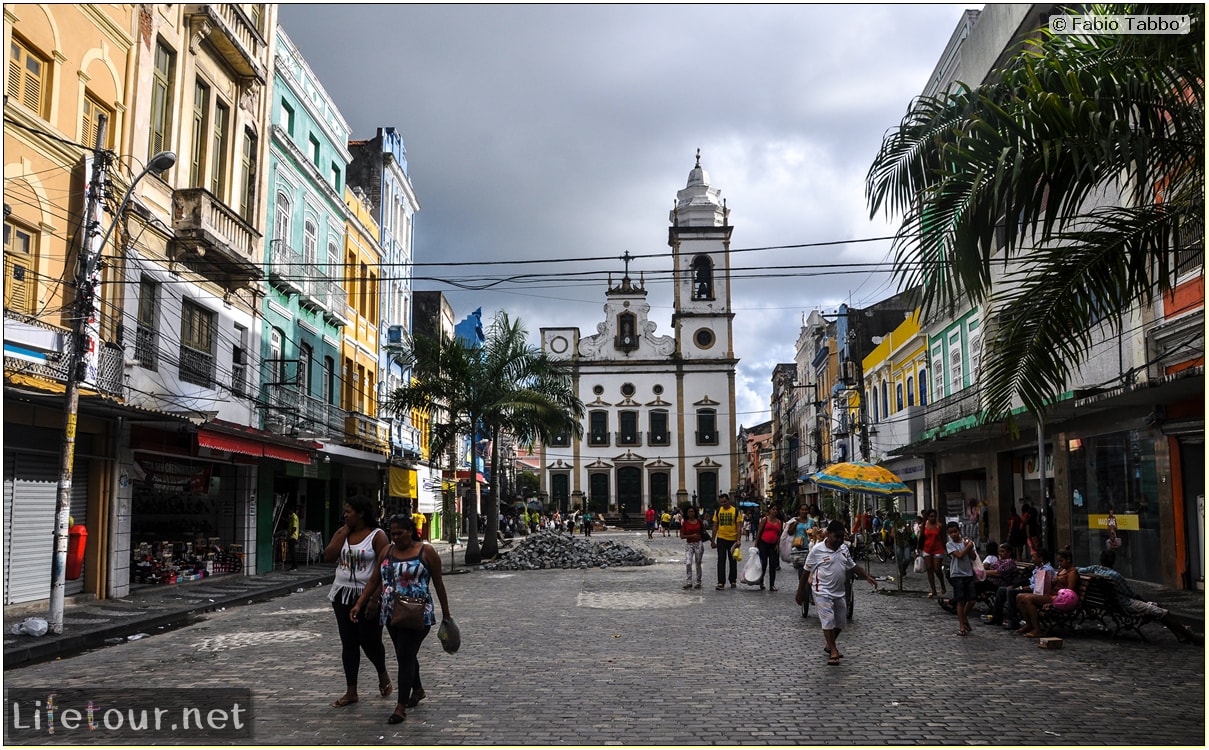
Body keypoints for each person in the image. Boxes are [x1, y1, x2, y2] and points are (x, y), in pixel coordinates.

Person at [354, 513, 451, 725]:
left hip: (418, 614)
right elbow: (374, 580)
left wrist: (447, 615)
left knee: (405, 655)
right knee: (404, 653)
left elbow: (439, 584)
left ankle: (400, 706)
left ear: (410, 531)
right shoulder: (387, 552)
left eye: (399, 533)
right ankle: (417, 690)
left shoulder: (426, 552)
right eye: (392, 533)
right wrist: (361, 603)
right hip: (390, 613)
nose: (395, 537)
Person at [322, 494, 392, 709]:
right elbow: (328, 556)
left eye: (349, 511)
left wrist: (375, 598)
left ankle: (382, 672)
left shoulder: (377, 536)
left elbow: (385, 567)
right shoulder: (343, 533)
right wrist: (342, 532)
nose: (345, 515)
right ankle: (351, 690)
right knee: (349, 642)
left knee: (369, 640)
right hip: (342, 594)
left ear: (361, 513)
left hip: (368, 594)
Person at [796, 520, 878, 665]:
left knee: (840, 622)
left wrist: (866, 576)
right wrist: (800, 592)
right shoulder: (817, 550)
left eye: (841, 537)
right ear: (828, 534)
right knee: (828, 620)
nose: (839, 540)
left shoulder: (843, 549)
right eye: (836, 537)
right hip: (821, 590)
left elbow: (852, 565)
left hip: (839, 591)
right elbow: (806, 571)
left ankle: (830, 643)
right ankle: (833, 651)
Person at [1078, 549, 1197, 643]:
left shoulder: (1094, 569)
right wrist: (1144, 602)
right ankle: (1192, 637)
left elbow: (1078, 569)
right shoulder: (1114, 576)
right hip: (1125, 605)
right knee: (1163, 612)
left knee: (1157, 608)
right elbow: (1131, 594)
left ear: (1100, 560)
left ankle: (1180, 635)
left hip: (1110, 604)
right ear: (1114, 561)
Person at [1015, 547, 1076, 637]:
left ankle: (1037, 629)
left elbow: (1069, 593)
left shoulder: (1072, 573)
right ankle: (1029, 624)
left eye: (1061, 561)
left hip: (1058, 598)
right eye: (1058, 561)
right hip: (1051, 594)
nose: (1059, 564)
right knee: (1019, 596)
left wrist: (1054, 602)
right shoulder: (1062, 570)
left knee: (1028, 599)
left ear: (1068, 559)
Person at [945, 522, 977, 635]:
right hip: (957, 574)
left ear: (959, 531)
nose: (953, 534)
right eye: (951, 533)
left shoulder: (965, 542)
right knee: (960, 600)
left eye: (955, 532)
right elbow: (959, 555)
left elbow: (973, 557)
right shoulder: (950, 544)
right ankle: (961, 625)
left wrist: (970, 546)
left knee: (972, 599)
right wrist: (968, 547)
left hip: (968, 573)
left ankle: (963, 616)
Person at [709, 493, 743, 589]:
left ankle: (733, 580)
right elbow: (715, 526)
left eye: (725, 501)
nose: (723, 504)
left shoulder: (735, 511)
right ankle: (721, 582)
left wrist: (738, 540)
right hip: (721, 539)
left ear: (728, 501)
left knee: (733, 561)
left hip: (732, 539)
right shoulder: (718, 511)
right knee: (721, 560)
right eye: (721, 502)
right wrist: (713, 540)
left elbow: (738, 527)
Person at [917, 508, 947, 598]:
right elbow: (921, 536)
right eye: (931, 516)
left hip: (938, 549)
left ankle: (942, 583)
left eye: (934, 516)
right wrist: (918, 548)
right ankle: (933, 590)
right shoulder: (924, 525)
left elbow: (943, 538)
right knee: (929, 568)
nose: (933, 518)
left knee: (937, 569)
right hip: (927, 548)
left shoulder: (939, 526)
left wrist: (947, 549)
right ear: (928, 517)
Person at [755, 505, 784, 591]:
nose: (775, 511)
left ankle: (772, 584)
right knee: (763, 564)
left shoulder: (779, 522)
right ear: (770, 510)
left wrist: (777, 545)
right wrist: (756, 544)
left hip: (773, 545)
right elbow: (759, 531)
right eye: (773, 509)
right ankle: (761, 581)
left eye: (776, 510)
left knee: (773, 564)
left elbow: (779, 534)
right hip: (763, 544)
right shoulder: (765, 520)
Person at [679, 506, 706, 589]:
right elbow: (682, 536)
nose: (691, 513)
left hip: (698, 543)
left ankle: (698, 581)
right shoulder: (685, 523)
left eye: (692, 511)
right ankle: (689, 581)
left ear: (695, 512)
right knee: (688, 562)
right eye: (689, 512)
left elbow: (704, 532)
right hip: (689, 544)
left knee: (698, 563)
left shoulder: (699, 522)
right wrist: (692, 535)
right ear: (687, 513)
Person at [285, 502, 300, 571]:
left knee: (292, 551)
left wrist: (289, 536)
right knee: (291, 552)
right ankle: (294, 566)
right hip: (292, 536)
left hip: (293, 536)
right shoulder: (291, 517)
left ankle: (295, 566)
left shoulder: (294, 517)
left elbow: (294, 528)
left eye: (288, 509)